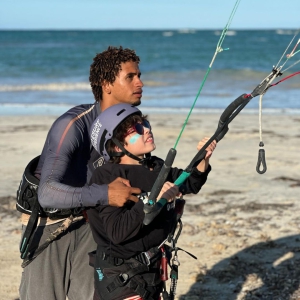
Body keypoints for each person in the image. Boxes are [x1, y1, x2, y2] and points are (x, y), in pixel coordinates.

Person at [18, 46, 145, 300]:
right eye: (130, 77)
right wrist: (106, 194)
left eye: (139, 75)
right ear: (107, 84)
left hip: (93, 223)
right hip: (51, 225)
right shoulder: (72, 125)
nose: (140, 82)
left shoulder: (131, 127)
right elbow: (47, 193)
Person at [87, 103, 217, 300]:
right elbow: (117, 231)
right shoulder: (107, 175)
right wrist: (153, 198)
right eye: (138, 128)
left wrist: (203, 159)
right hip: (121, 278)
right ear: (115, 146)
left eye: (145, 123)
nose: (147, 129)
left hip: (152, 271)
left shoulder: (155, 166)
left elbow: (190, 183)